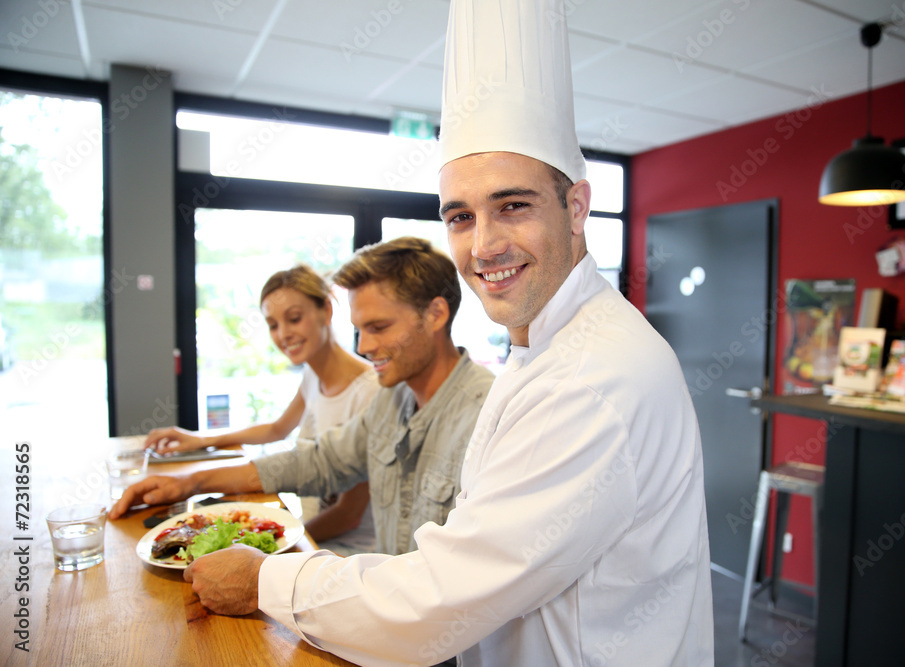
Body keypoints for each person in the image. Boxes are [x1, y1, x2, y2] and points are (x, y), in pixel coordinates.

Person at [116, 0, 714, 663]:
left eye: (512, 205)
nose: (484, 244)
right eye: (460, 216)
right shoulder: (537, 349)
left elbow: (441, 595)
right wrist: (198, 478)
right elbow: (322, 460)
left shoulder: (591, 378)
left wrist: (268, 578)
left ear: (577, 206)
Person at [111, 236, 495, 560]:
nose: (365, 347)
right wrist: (192, 483)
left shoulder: (486, 413)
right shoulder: (391, 400)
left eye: (378, 328)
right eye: (359, 330)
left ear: (435, 315)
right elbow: (318, 461)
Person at [144, 264, 380, 555]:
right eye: (273, 325)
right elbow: (277, 429)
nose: (283, 334)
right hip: (312, 538)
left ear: (327, 311)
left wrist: (275, 539)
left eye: (294, 318)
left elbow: (349, 514)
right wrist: (199, 439)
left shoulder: (370, 390)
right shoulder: (313, 374)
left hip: (348, 553)